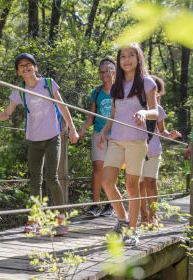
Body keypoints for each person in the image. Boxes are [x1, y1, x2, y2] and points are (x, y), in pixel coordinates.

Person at [0, 53, 79, 234]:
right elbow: (6, 113)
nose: (25, 67)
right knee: (35, 181)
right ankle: (35, 220)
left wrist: (73, 129)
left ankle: (61, 219)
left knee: (51, 178)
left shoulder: (49, 84)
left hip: (52, 137)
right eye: (21, 66)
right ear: (18, 72)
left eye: (29, 64)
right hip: (34, 140)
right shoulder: (18, 92)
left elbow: (62, 106)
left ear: (35, 67)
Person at [97, 43, 159, 246]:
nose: (126, 59)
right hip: (116, 140)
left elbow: (155, 112)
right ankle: (122, 219)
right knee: (107, 182)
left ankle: (133, 231)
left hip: (136, 141)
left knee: (132, 186)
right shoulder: (116, 86)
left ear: (138, 58)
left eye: (131, 55)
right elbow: (113, 115)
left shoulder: (147, 83)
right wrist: (103, 131)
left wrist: (143, 112)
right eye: (122, 56)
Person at [139, 75, 182, 228]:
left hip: (153, 151)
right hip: (136, 151)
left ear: (158, 92)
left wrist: (171, 135)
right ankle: (143, 215)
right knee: (139, 185)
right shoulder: (135, 106)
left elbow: (161, 131)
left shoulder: (159, 110)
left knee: (150, 182)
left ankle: (153, 215)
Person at [78, 57, 116, 217]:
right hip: (98, 132)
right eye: (101, 72)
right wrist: (83, 128)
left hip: (116, 135)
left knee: (111, 168)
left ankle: (110, 204)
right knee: (98, 166)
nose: (103, 74)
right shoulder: (97, 92)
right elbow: (92, 116)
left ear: (113, 72)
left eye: (106, 71)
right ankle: (95, 205)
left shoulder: (121, 90)